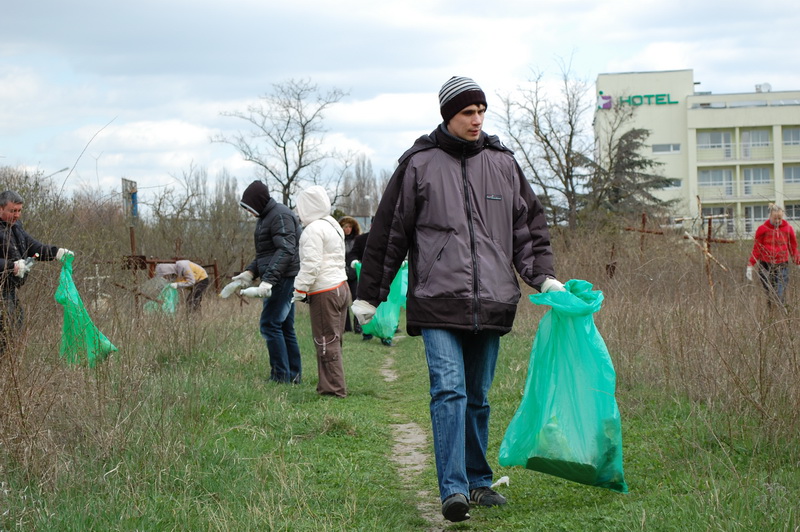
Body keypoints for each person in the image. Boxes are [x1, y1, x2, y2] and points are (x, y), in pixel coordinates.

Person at [351, 76, 565, 523]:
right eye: (468, 112)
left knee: (479, 396)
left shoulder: (503, 163)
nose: (477, 119)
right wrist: (369, 293)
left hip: (492, 299)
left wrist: (542, 277)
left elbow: (527, 229)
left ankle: (478, 481)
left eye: (482, 111)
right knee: (449, 390)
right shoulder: (418, 164)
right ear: (449, 114)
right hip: (437, 299)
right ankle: (453, 491)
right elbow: (390, 232)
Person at [221, 180, 303, 384]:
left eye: (249, 208)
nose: (249, 212)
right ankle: (292, 376)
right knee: (284, 326)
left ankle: (281, 376)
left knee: (270, 324)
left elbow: (286, 250)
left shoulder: (280, 215)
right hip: (279, 276)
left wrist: (267, 282)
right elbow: (266, 254)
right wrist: (249, 273)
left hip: (283, 278)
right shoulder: (267, 217)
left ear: (258, 202)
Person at [0, 190, 73, 358]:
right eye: (13, 211)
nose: (17, 215)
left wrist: (55, 253)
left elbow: (33, 249)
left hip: (10, 290)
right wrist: (11, 266)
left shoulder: (16, 228)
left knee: (14, 327)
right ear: (1, 209)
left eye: (19, 211)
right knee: (6, 331)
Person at [293, 186, 351, 397]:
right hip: (341, 287)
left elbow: (311, 264)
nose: (299, 213)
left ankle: (333, 390)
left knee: (325, 341)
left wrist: (300, 288)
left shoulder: (313, 230)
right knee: (334, 340)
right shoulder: (332, 224)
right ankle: (330, 385)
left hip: (325, 291)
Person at [746, 203, 800, 308]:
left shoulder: (788, 229)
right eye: (775, 218)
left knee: (779, 293)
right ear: (770, 216)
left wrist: (798, 262)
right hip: (765, 265)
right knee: (769, 293)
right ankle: (771, 315)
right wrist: (750, 265)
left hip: (782, 264)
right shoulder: (763, 229)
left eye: (779, 218)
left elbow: (793, 248)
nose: (777, 221)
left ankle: (782, 314)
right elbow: (757, 249)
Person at [339, 215, 362, 334]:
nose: (347, 229)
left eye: (349, 227)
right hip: (342, 273)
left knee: (357, 300)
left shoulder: (357, 240)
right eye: (345, 227)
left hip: (355, 274)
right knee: (343, 301)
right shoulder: (338, 240)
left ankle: (358, 326)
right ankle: (345, 326)